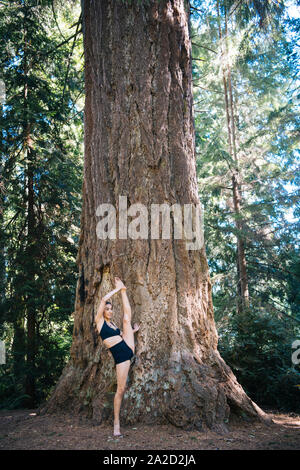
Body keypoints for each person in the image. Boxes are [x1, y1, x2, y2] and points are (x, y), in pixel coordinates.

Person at [94, 276, 140, 437]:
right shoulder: (99, 322)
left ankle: (124, 291)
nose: (110, 311)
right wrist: (116, 288)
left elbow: (122, 334)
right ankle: (116, 423)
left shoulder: (113, 324)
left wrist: (133, 331)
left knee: (126, 319)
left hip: (127, 346)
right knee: (120, 390)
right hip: (121, 357)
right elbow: (103, 299)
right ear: (102, 311)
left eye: (111, 308)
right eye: (107, 309)